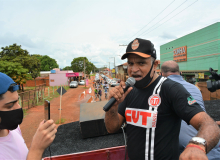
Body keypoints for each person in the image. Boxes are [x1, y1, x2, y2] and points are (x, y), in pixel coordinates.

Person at [104, 38, 220, 160]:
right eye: (131, 63)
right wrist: (113, 107)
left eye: (141, 63)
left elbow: (210, 125)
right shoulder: (129, 90)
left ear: (155, 65)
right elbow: (112, 128)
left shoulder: (171, 89)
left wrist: (197, 146)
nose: (134, 69)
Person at [161, 60, 220, 160]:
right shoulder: (195, 88)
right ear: (180, 73)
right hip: (212, 143)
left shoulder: (161, 89)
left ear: (161, 74)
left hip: (187, 152)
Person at [0, 72, 57, 160]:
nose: (19, 108)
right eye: (10, 105)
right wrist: (37, 149)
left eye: (17, 101)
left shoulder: (14, 129)